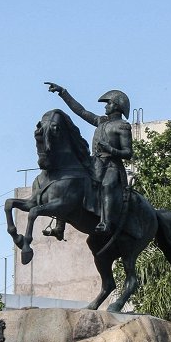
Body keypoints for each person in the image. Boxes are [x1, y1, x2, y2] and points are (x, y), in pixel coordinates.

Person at [45, 82, 133, 236]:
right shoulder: (101, 121)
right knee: (70, 182)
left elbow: (128, 153)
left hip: (112, 165)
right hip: (95, 163)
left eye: (109, 103)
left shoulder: (123, 126)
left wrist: (110, 149)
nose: (106, 107)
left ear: (117, 106)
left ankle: (105, 222)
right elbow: (81, 111)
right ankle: (60, 227)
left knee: (107, 185)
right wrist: (63, 93)